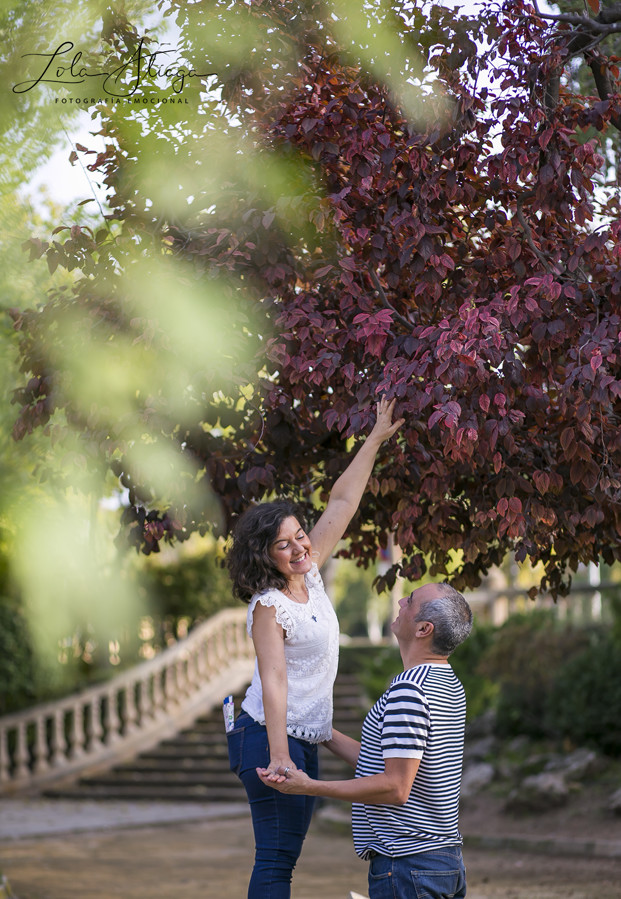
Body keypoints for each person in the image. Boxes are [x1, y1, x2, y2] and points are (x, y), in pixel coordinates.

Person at [225, 397, 404, 898]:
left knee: (284, 858)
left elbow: (342, 502)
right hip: (268, 738)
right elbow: (274, 678)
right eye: (284, 544)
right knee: (276, 860)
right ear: (265, 555)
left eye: (300, 535)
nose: (300, 547)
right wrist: (281, 755)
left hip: (300, 738)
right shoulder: (270, 606)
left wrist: (374, 438)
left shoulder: (311, 575)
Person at [258, 581, 473, 899]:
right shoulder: (447, 683)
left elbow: (395, 787)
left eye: (411, 600)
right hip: (440, 862)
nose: (401, 602)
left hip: (408, 864)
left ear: (423, 629)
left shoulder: (410, 691)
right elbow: (388, 763)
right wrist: (322, 731)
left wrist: (310, 786)